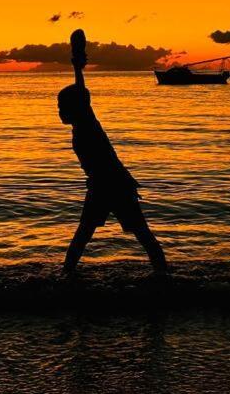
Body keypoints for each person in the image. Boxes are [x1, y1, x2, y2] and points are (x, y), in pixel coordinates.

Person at [58, 30, 168, 274]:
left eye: (61, 106)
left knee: (138, 233)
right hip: (101, 185)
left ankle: (164, 276)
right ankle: (66, 276)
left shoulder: (86, 121)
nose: (58, 111)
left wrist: (78, 68)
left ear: (75, 107)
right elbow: (80, 95)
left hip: (114, 185)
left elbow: (81, 93)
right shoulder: (80, 125)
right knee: (85, 234)